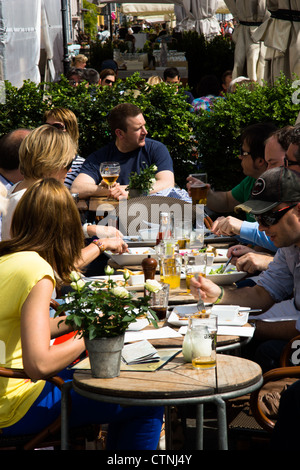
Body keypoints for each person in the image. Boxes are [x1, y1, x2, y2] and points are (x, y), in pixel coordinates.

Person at [0, 178, 163, 449]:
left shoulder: (11, 258)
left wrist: (88, 320)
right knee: (145, 399)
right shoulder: (35, 270)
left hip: (10, 391)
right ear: (66, 228)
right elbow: (38, 365)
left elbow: (32, 327)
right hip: (14, 408)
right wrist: (92, 333)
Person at [190, 166, 300, 372]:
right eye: (258, 218)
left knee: (266, 350)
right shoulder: (290, 247)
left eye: (268, 218)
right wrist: (220, 294)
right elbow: (264, 293)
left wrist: (249, 328)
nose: (261, 228)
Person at [1, 125, 126, 266]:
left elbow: (39, 234)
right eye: (67, 163)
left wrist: (89, 229)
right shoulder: (43, 199)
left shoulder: (15, 190)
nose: (70, 169)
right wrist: (102, 244)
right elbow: (65, 266)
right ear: (51, 163)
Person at [212, 126, 294, 274]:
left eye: (273, 163)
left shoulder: (286, 191)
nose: (268, 170)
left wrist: (241, 228)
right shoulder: (261, 183)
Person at [71, 103, 175, 200]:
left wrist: (131, 191)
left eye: (144, 125)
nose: (145, 132)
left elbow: (167, 183)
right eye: (138, 129)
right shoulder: (100, 157)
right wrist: (108, 191)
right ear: (120, 133)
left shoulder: (156, 149)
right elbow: (77, 188)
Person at [186, 122, 277, 222]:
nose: (240, 156)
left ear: (259, 160)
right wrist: (208, 194)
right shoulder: (252, 180)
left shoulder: (280, 186)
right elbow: (227, 201)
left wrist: (239, 227)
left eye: (243, 153)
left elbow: (270, 231)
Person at [44, 107, 85, 189]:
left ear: (70, 129)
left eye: (57, 126)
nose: (51, 131)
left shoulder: (82, 166)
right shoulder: (37, 160)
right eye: (47, 126)